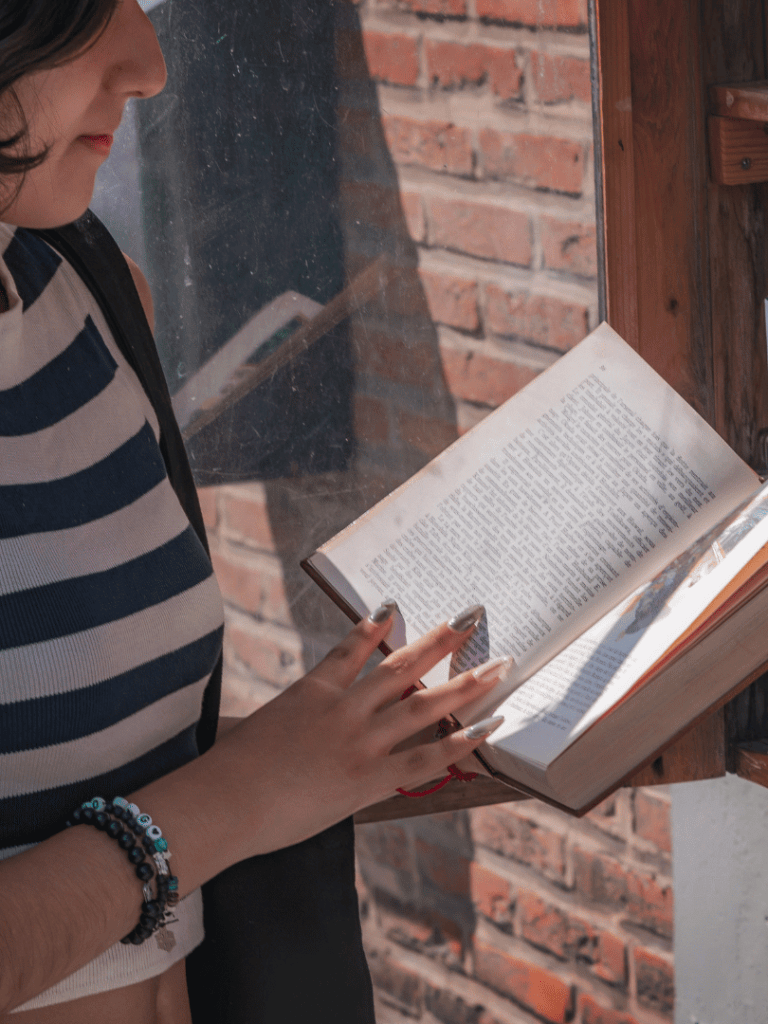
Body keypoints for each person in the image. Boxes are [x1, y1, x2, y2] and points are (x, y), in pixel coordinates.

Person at [0, 2, 510, 1020]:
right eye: (84, 11)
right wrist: (248, 791)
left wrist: (357, 736)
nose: (149, 66)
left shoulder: (88, 291)